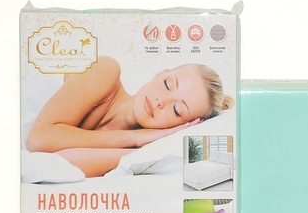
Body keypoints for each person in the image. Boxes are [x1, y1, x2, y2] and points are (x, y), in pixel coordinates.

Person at [27, 56, 233, 177]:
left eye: (177, 110)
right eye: (167, 84)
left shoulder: (135, 153)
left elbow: (58, 164)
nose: (160, 101)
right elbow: (39, 140)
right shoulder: (106, 71)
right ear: (160, 73)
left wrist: (139, 148)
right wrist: (134, 137)